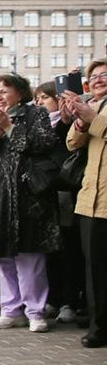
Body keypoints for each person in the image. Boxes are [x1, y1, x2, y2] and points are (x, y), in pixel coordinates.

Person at [0, 73, 60, 333]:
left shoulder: (35, 115)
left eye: (4, 91)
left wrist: (10, 129)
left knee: (29, 258)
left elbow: (44, 144)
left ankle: (36, 312)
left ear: (20, 93)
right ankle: (11, 309)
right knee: (3, 258)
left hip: (28, 197)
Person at [63, 57, 107, 347]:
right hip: (91, 201)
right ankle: (99, 327)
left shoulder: (97, 113)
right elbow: (71, 143)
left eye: (106, 75)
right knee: (96, 272)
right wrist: (80, 119)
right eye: (96, 77)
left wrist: (94, 120)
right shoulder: (95, 106)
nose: (100, 80)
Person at [34, 81, 82, 324]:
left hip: (65, 192)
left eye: (44, 97)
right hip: (43, 195)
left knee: (69, 248)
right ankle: (52, 299)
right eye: (37, 99)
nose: (40, 102)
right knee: (49, 250)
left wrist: (65, 123)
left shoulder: (71, 122)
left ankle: (69, 301)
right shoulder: (36, 125)